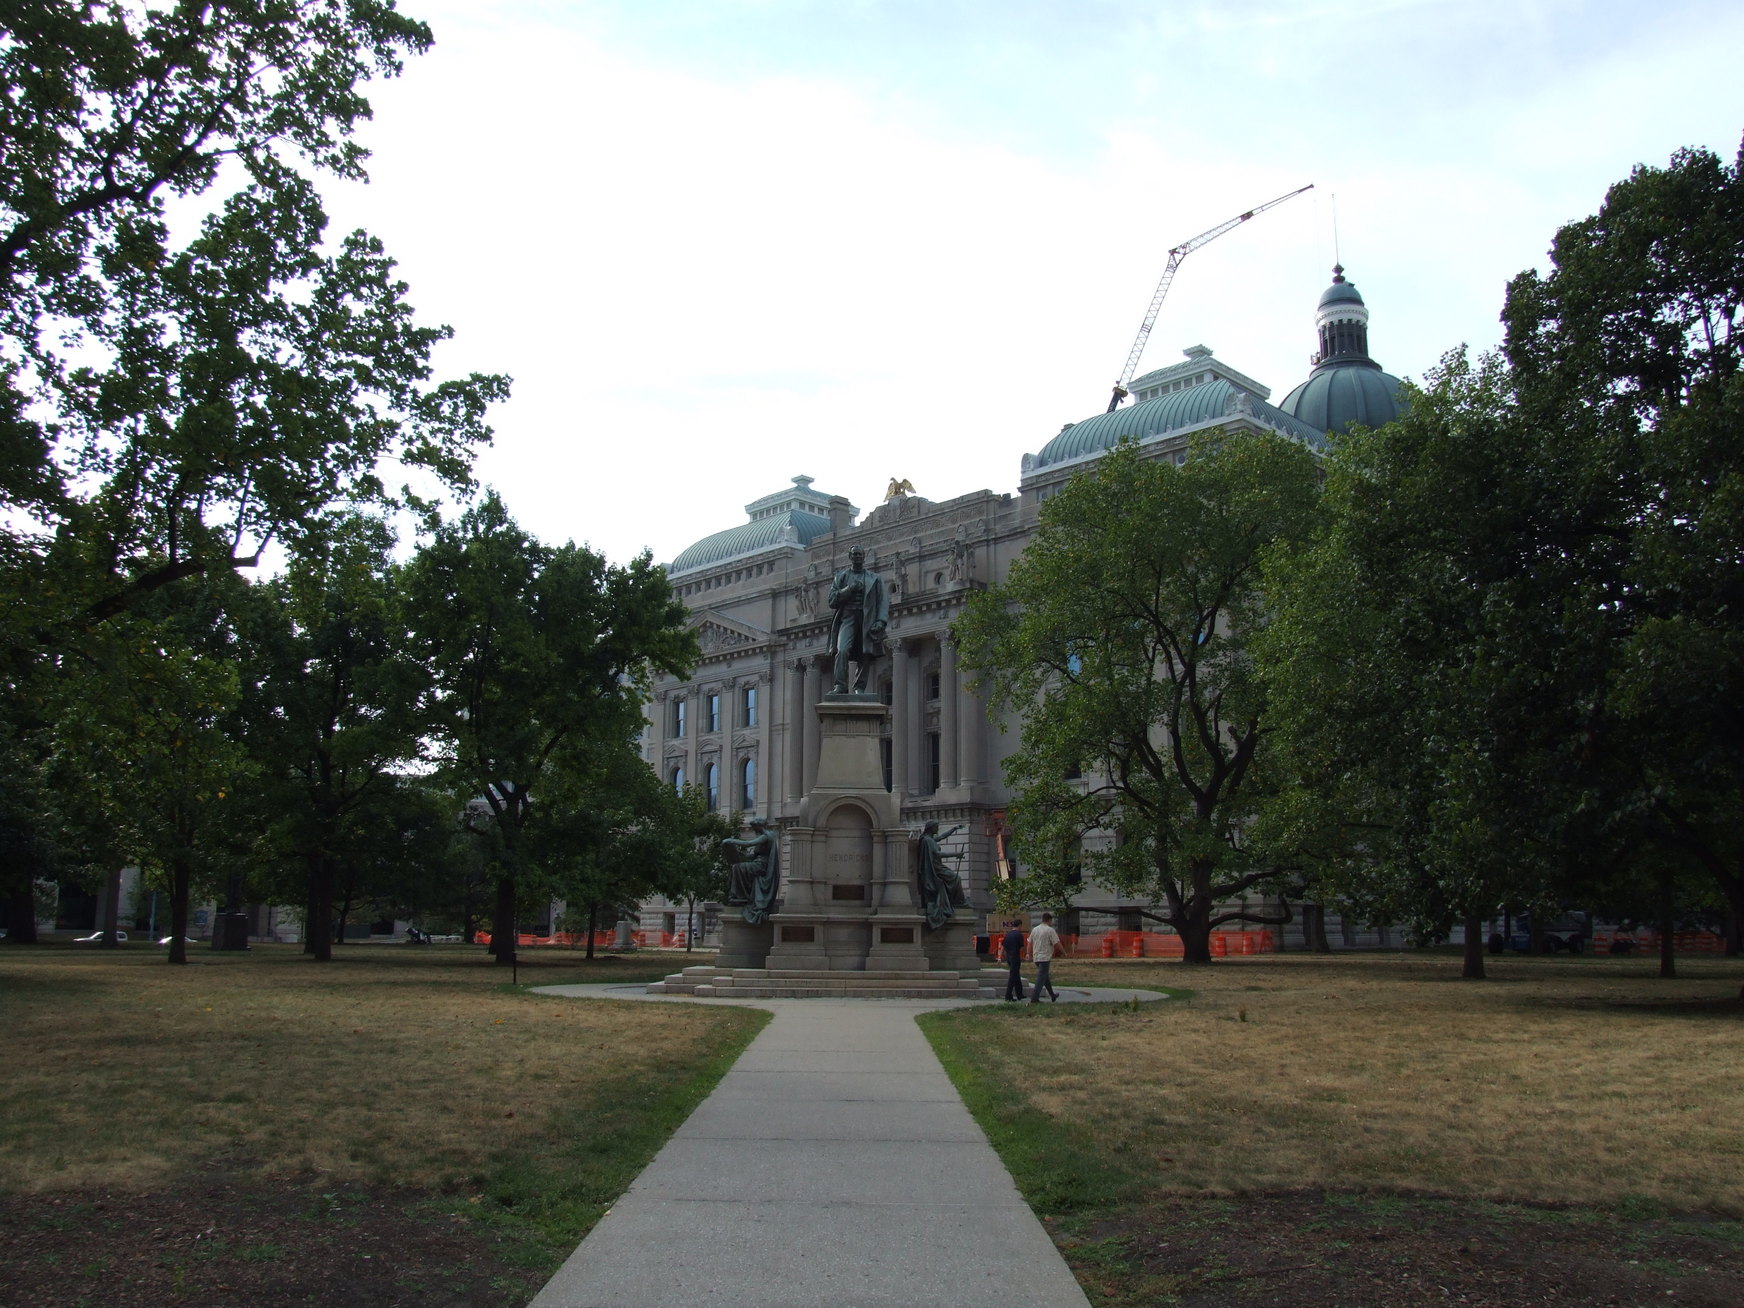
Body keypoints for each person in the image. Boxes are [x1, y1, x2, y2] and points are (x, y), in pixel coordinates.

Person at [826, 545, 889, 694]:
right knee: (842, 650)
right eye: (854, 554)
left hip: (867, 618)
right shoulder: (841, 577)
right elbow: (832, 601)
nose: (857, 557)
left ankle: (859, 687)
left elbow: (883, 601)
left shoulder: (875, 578)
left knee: (865, 653)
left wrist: (880, 621)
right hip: (847, 617)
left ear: (864, 556)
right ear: (850, 557)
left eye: (860, 554)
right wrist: (849, 589)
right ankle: (840, 685)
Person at [721, 818, 779, 925]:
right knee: (737, 867)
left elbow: (748, 843)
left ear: (759, 826)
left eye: (754, 827)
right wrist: (740, 854)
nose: (753, 829)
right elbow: (752, 856)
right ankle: (740, 896)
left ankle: (740, 895)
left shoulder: (766, 836)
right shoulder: (762, 837)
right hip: (757, 863)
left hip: (762, 866)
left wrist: (731, 841)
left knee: (738, 868)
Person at [915, 821, 968, 929]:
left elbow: (942, 837)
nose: (938, 829)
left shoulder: (930, 839)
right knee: (956, 878)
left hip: (937, 866)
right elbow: (938, 854)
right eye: (936, 827)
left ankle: (957, 901)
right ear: (931, 828)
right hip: (935, 869)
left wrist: (954, 829)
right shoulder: (927, 840)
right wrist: (956, 854)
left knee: (955, 879)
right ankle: (959, 902)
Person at [1028, 911, 1062, 1003]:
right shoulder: (1050, 930)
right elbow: (1057, 943)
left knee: (1045, 977)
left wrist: (1028, 953)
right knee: (1041, 978)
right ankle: (1034, 998)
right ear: (1049, 920)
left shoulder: (1035, 929)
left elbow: (1029, 942)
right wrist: (1064, 952)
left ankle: (1052, 995)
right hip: (1045, 957)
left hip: (1036, 957)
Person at [1001, 919, 1027, 1002]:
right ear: (1019, 925)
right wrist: (1027, 954)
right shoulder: (1019, 935)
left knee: (1016, 975)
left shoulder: (1008, 934)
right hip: (1015, 956)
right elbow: (1022, 947)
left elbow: (1003, 945)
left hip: (1009, 957)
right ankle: (1008, 995)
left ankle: (1019, 994)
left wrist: (1001, 955)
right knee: (1013, 976)